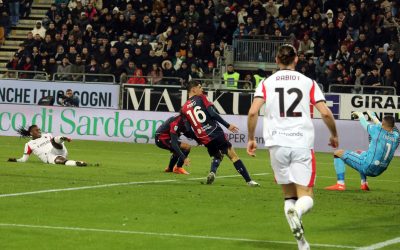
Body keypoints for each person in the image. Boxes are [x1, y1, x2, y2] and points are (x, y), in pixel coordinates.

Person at [247, 44, 338, 250]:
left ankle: (302, 244)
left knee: (289, 196)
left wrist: (251, 138)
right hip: (301, 143)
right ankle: (297, 213)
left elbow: (253, 112)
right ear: (296, 59)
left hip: (276, 144)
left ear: (277, 60)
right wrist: (334, 134)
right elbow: (325, 113)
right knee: (306, 196)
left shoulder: (266, 83)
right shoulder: (308, 83)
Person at [181, 80, 260, 187]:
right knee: (233, 156)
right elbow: (213, 114)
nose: (202, 89)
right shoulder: (201, 97)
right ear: (193, 89)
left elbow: (187, 129)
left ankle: (212, 172)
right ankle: (249, 181)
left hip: (204, 138)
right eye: (200, 87)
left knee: (217, 155)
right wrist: (227, 125)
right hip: (215, 132)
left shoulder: (184, 108)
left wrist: (198, 139)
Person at [325, 111, 399, 191]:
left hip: (368, 167)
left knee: (337, 153)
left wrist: (359, 114)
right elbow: (384, 126)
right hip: (380, 170)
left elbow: (364, 122)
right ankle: (364, 184)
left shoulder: (377, 131)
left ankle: (340, 184)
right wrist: (373, 117)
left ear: (383, 123)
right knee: (360, 152)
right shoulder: (396, 136)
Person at [8, 125, 87, 166]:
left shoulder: (47, 135)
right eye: (36, 130)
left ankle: (63, 138)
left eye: (39, 129)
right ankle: (76, 163)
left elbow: (54, 142)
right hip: (50, 156)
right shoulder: (29, 144)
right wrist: (16, 160)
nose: (39, 131)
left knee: (53, 140)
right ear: (31, 133)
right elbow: (24, 159)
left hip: (58, 149)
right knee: (59, 161)